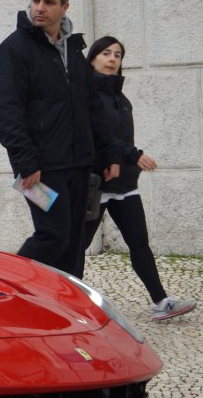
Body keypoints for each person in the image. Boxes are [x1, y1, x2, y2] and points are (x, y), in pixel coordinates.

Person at [0, 0, 144, 277]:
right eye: (35, 0)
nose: (40, 8)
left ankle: (65, 308)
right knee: (53, 235)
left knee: (73, 243)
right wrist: (25, 161)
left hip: (79, 163)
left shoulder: (73, 51)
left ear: (65, 6)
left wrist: (110, 154)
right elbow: (6, 111)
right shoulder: (13, 50)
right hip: (40, 168)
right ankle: (9, 288)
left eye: (48, 2)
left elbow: (92, 108)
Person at [82, 36, 197, 321]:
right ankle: (69, 305)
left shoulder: (120, 97)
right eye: (105, 53)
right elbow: (100, 136)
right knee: (75, 247)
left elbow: (119, 137)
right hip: (94, 183)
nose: (112, 59)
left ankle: (161, 301)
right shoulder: (85, 95)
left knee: (139, 243)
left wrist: (128, 162)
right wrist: (133, 154)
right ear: (93, 58)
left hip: (123, 183)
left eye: (117, 55)